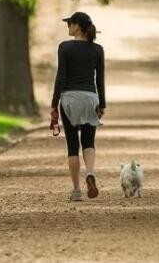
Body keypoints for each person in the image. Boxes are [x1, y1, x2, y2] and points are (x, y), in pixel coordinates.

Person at [51, 11, 105, 201]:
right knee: (89, 142)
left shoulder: (64, 47)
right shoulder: (97, 50)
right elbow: (100, 79)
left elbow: (61, 77)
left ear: (77, 26)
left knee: (72, 145)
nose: (68, 27)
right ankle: (90, 172)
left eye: (70, 24)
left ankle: (76, 191)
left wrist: (54, 105)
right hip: (90, 98)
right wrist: (102, 104)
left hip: (69, 99)